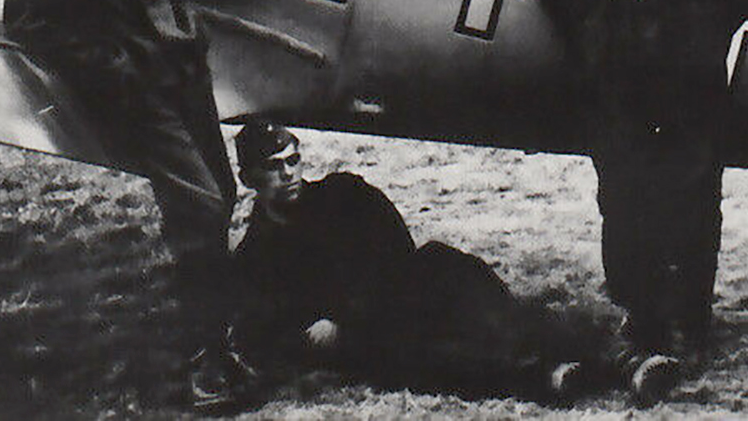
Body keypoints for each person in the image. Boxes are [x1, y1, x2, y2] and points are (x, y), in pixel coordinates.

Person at [3, 0, 250, 411]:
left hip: (183, 84)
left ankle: (217, 340)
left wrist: (192, 39)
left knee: (221, 194)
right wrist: (112, 73)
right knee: (201, 207)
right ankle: (204, 362)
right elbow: (28, 23)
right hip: (138, 96)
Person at [531, 0, 748, 406]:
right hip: (618, 77)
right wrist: (593, 41)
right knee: (623, 192)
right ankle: (637, 314)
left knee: (691, 191)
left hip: (687, 79)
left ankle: (689, 317)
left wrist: (697, 40)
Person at [231, 119, 588, 404]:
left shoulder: (346, 194)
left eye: (294, 160)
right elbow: (270, 328)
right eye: (273, 167)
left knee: (448, 267)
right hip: (371, 334)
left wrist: (344, 313)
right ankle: (543, 377)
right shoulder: (256, 254)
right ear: (249, 179)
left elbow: (397, 249)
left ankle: (589, 351)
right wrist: (317, 333)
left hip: (407, 290)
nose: (289, 174)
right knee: (417, 361)